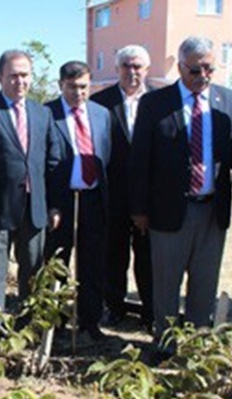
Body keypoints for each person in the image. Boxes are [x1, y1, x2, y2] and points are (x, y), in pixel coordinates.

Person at [129, 37, 232, 358]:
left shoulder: (228, 101)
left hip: (212, 211)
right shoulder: (155, 104)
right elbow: (140, 160)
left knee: (204, 284)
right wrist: (139, 208)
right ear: (180, 67)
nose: (203, 75)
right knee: (166, 283)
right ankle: (164, 344)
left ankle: (195, 347)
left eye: (209, 68)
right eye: (196, 69)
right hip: (168, 211)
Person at [0, 50, 62, 309]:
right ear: (0, 77)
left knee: (32, 272)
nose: (20, 81)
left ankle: (27, 325)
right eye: (13, 76)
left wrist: (53, 205)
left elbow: (52, 162)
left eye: (25, 75)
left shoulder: (42, 113)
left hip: (35, 208)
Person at [44, 61, 114, 342]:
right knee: (57, 263)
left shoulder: (102, 114)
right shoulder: (47, 114)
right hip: (61, 202)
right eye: (72, 87)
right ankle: (55, 324)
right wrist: (51, 205)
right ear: (61, 85)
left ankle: (89, 321)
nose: (78, 92)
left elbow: (107, 155)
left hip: (94, 199)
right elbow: (42, 165)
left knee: (93, 264)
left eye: (83, 86)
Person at [90, 45, 156, 329]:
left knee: (149, 256)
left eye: (138, 66)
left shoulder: (159, 100)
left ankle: (151, 310)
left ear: (146, 69)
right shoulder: (100, 102)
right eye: (126, 66)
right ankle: (114, 306)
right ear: (117, 69)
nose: (132, 72)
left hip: (150, 194)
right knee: (114, 254)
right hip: (114, 193)